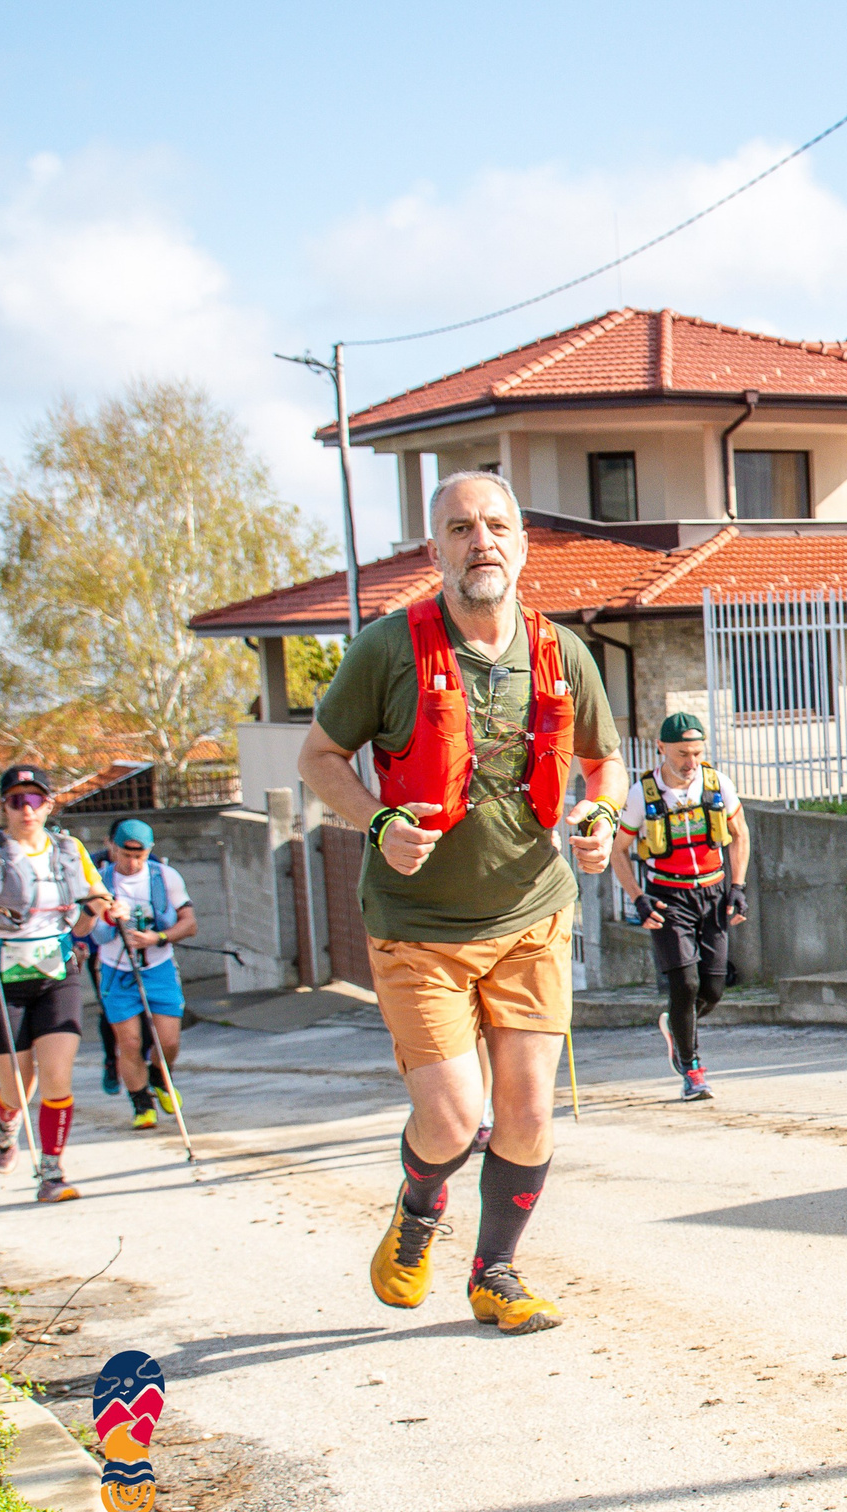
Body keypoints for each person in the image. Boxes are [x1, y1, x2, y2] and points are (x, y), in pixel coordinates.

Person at [296, 469, 623, 1337]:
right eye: (460, 528)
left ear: (521, 543)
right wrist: (375, 824)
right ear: (433, 549)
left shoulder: (562, 652)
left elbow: (605, 763)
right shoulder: (386, 649)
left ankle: (496, 1272)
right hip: (419, 928)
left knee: (525, 1112)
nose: (482, 541)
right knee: (450, 1119)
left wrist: (598, 816)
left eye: (496, 526)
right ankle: (418, 1207)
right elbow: (320, 758)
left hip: (530, 917)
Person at [0, 765, 108, 1202]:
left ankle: (52, 1171)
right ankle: (7, 1124)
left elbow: (84, 919)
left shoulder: (69, 850)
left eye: (36, 800)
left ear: (49, 805)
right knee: (18, 1088)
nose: (27, 809)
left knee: (57, 1076)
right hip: (0, 980)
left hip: (57, 975)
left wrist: (100, 906)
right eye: (17, 800)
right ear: (4, 805)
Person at [607, 711, 748, 1101]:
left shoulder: (717, 783)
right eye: (683, 754)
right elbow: (618, 851)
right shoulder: (642, 793)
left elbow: (740, 835)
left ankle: (676, 1025)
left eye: (697, 753)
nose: (691, 763)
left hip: (713, 894)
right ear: (662, 749)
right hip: (668, 897)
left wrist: (738, 886)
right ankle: (692, 1070)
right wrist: (638, 896)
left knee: (715, 989)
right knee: (685, 984)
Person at [86, 819, 195, 1130]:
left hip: (158, 968)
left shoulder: (166, 877)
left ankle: (161, 1076)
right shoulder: (99, 882)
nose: (132, 862)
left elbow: (189, 923)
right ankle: (141, 1103)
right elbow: (89, 931)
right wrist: (105, 916)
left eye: (140, 855)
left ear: (149, 851)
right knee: (130, 1042)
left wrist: (157, 938)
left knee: (168, 1041)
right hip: (116, 970)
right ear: (113, 848)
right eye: (125, 855)